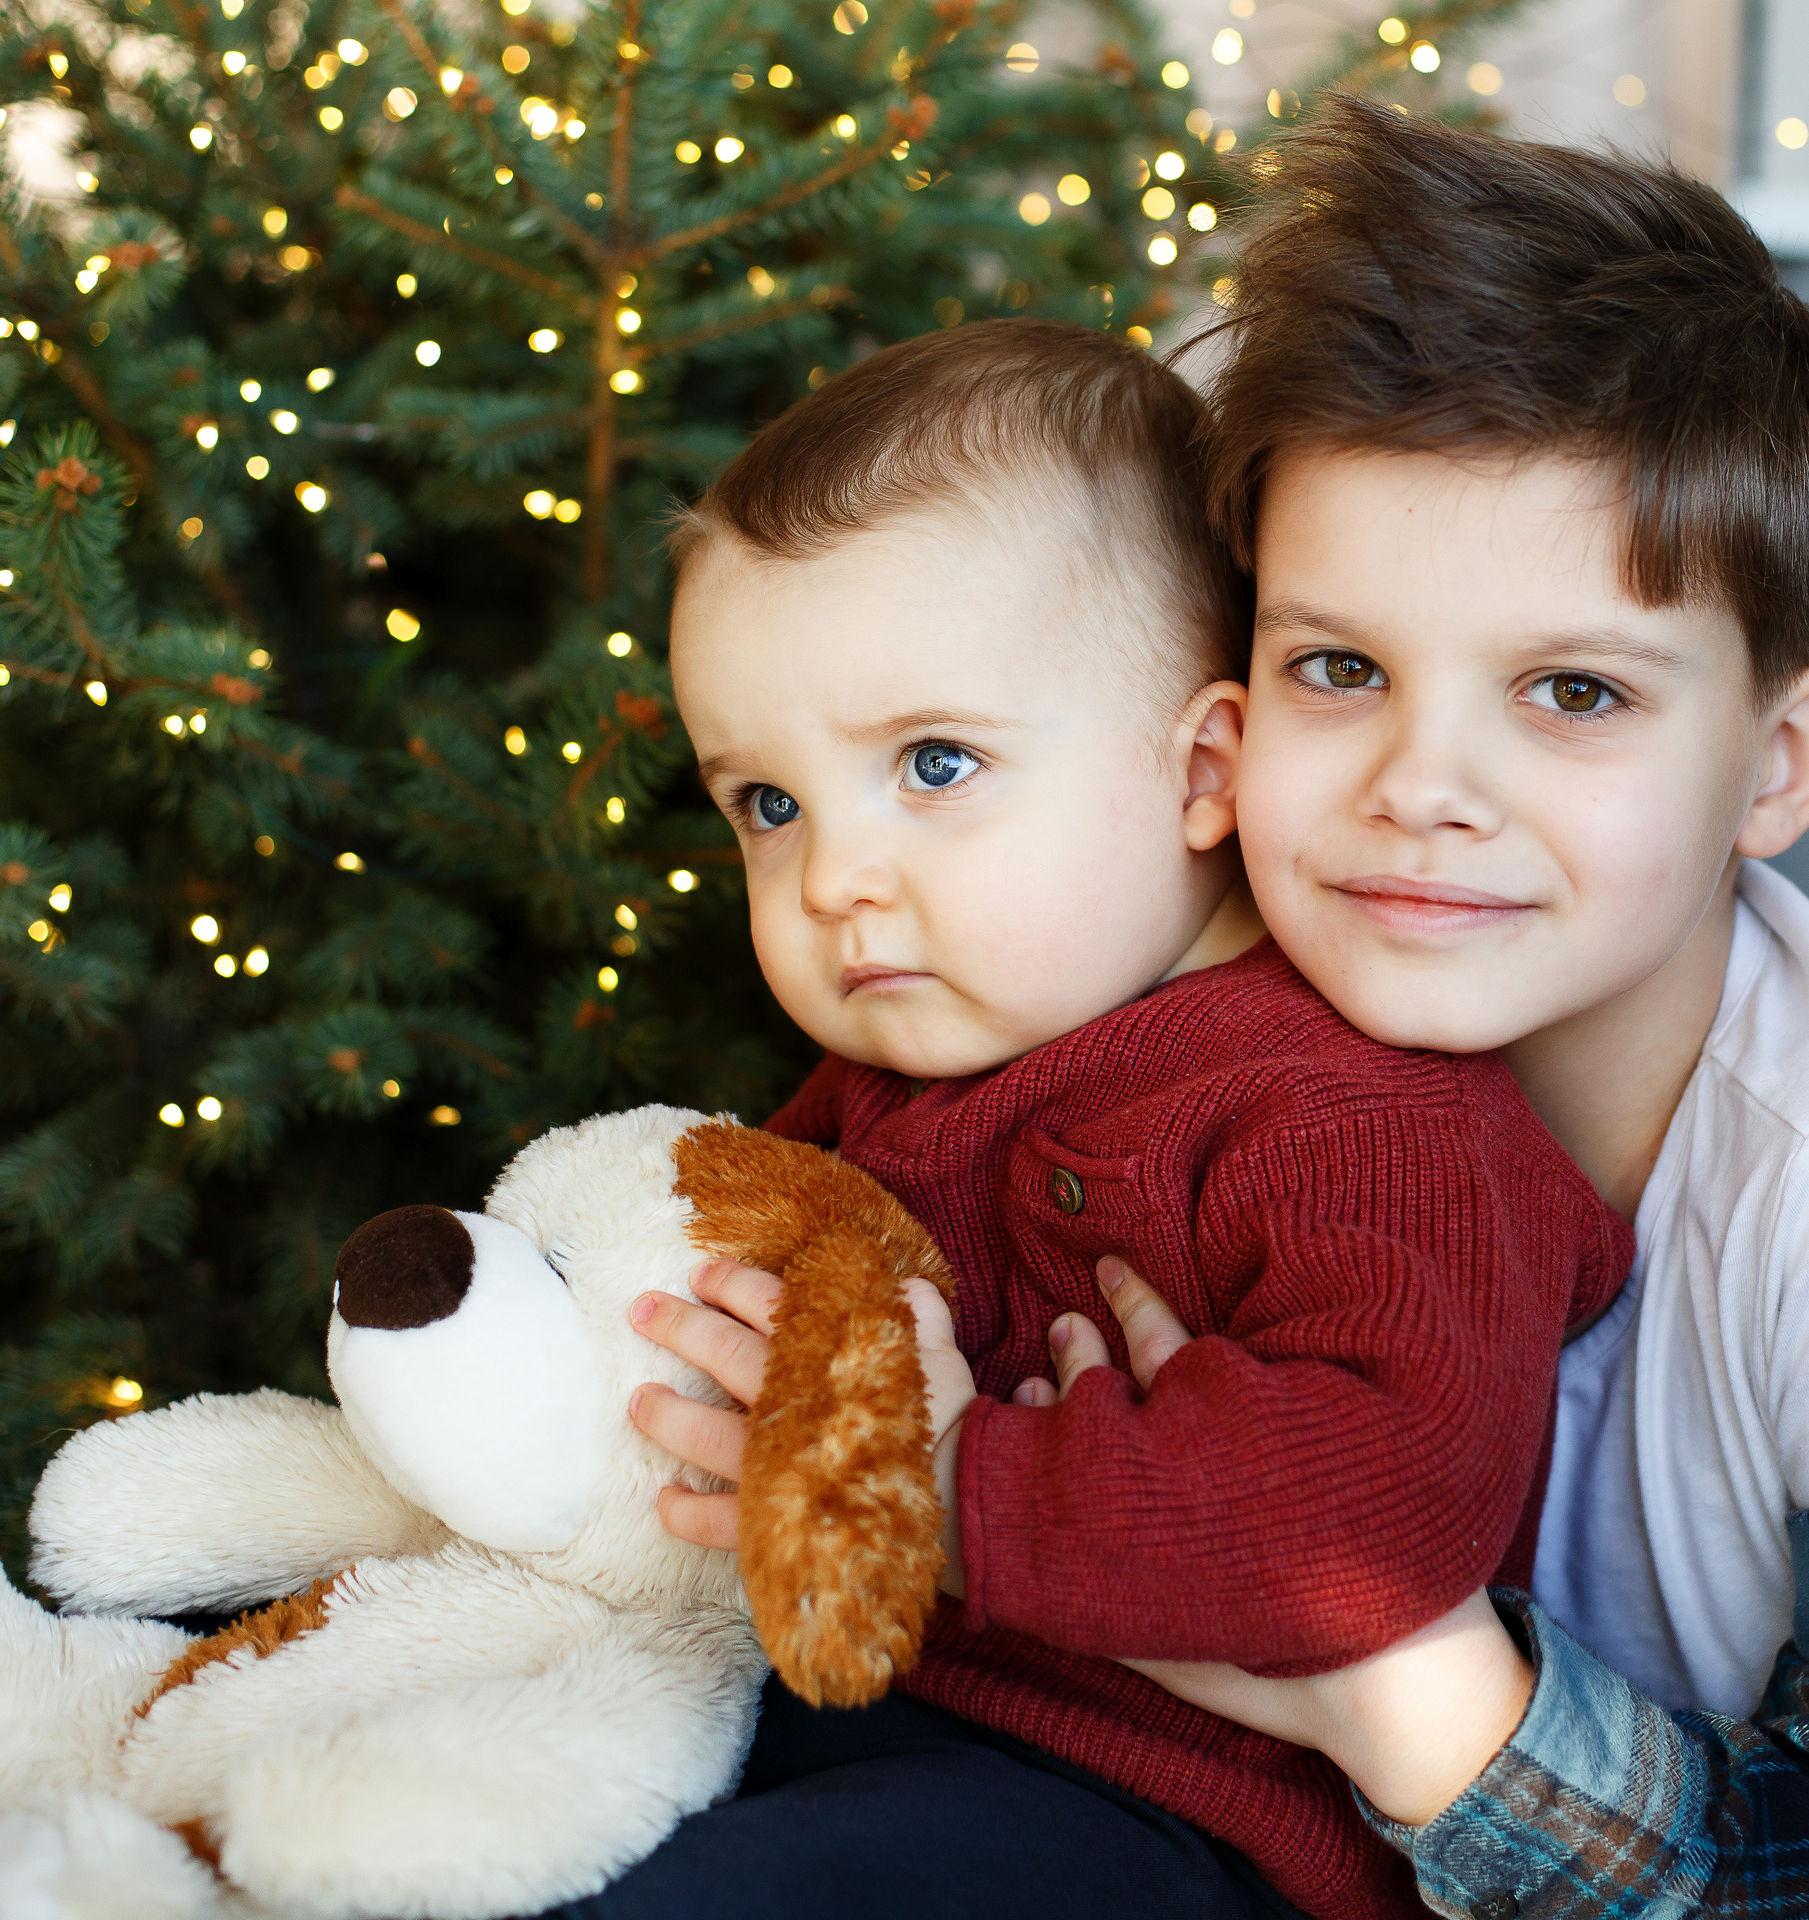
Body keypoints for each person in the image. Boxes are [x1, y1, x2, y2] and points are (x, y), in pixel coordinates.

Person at [637, 105, 1809, 1917]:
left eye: (1574, 693)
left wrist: (1416, 1709)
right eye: (1339, 667)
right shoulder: (1183, 1036)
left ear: (1778, 760)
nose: (1423, 786)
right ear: (1220, 709)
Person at [536, 317, 1631, 1920]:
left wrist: (957, 1472)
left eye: (934, 763)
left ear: (1202, 770)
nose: (835, 876)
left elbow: (1385, 1503)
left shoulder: (1354, 1111)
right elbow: (731, 1280)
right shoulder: (920, 1055)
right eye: (768, 805)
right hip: (843, 1698)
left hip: (1168, 1813)